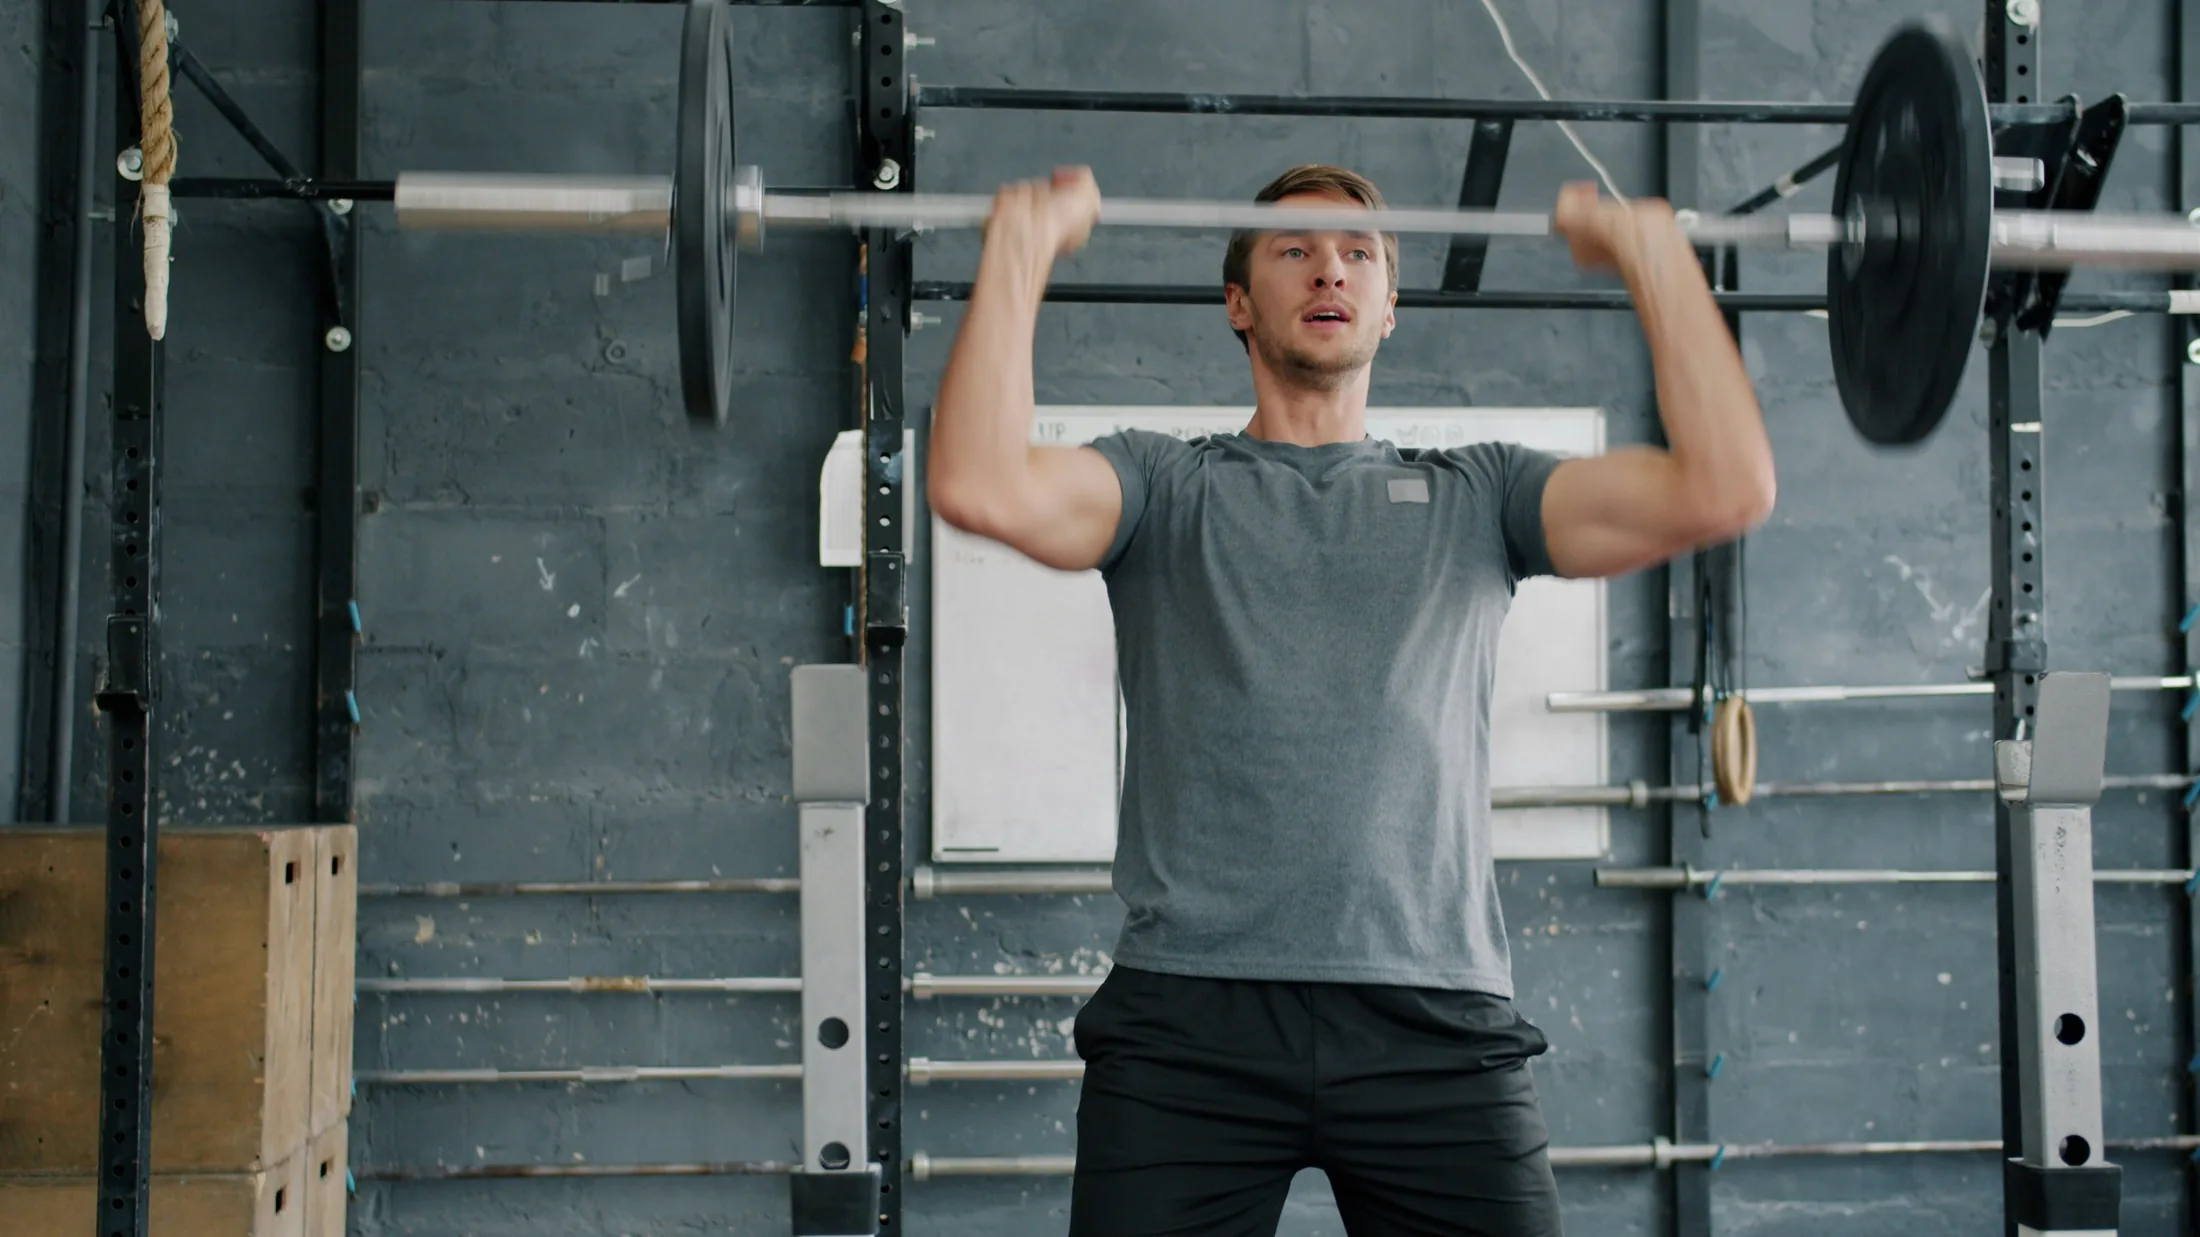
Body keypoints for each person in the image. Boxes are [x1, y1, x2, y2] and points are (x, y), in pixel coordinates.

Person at [926, 163, 1775, 1237]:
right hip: (1190, 1022)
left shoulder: (1482, 496)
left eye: (1358, 252)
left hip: (1434, 1021)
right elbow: (978, 483)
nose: (1329, 264)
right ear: (1238, 303)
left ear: (1388, 309)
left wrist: (1657, 263)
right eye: (1293, 249)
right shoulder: (1160, 484)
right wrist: (1019, 252)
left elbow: (1726, 485)